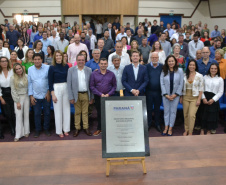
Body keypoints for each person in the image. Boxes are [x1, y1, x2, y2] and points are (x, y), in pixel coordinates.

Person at [67, 54, 93, 137]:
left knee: (85, 112)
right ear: (76, 61)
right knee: (77, 112)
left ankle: (86, 127)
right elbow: (69, 84)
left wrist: (91, 97)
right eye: (79, 60)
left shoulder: (89, 70)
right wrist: (71, 97)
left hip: (85, 94)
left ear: (85, 61)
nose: (81, 61)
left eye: (82, 60)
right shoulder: (71, 70)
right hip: (76, 94)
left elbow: (91, 84)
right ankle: (77, 128)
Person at [90, 58, 117, 136]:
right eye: (102, 64)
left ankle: (109, 129)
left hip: (109, 96)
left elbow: (114, 86)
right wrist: (100, 94)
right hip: (99, 97)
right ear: (99, 64)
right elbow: (92, 86)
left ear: (107, 64)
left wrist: (108, 94)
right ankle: (99, 128)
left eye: (105, 64)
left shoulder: (111, 74)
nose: (103, 65)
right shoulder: (94, 74)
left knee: (109, 113)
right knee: (99, 113)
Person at [28, 53, 51, 138]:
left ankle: (46, 129)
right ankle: (37, 130)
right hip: (35, 95)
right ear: (33, 60)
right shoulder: (30, 69)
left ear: (42, 60)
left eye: (39, 59)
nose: (37, 61)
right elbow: (30, 83)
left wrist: (48, 92)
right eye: (35, 59)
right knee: (37, 113)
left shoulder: (47, 68)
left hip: (46, 95)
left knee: (47, 113)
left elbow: (50, 81)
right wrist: (31, 96)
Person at [48, 50, 70, 138]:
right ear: (54, 57)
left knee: (66, 109)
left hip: (66, 87)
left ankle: (66, 129)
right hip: (56, 88)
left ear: (62, 56)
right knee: (58, 110)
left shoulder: (66, 66)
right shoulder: (52, 67)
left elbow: (69, 79)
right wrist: (52, 94)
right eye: (56, 56)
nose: (58, 57)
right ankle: (59, 130)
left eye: (59, 55)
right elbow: (50, 82)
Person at [160, 55, 184, 136]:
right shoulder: (164, 70)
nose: (171, 63)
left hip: (175, 95)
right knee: (166, 112)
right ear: (167, 62)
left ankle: (170, 128)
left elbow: (181, 83)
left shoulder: (180, 70)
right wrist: (166, 94)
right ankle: (166, 127)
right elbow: (162, 83)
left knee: (173, 112)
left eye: (172, 61)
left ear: (175, 62)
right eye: (169, 61)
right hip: (165, 95)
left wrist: (176, 94)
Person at [181, 60, 203, 136]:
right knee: (185, 114)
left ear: (196, 66)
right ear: (188, 66)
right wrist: (181, 97)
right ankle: (186, 130)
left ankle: (190, 131)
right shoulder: (184, 75)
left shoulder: (199, 76)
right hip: (185, 96)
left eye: (193, 65)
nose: (191, 66)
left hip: (195, 97)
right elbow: (181, 87)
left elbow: (201, 88)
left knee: (191, 115)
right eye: (190, 65)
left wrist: (199, 99)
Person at [200, 63, 223, 135]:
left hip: (214, 99)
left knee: (211, 116)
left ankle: (209, 130)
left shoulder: (220, 79)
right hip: (205, 98)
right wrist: (203, 98)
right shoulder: (205, 77)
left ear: (217, 70)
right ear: (209, 69)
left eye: (215, 69)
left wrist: (213, 99)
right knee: (203, 114)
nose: (213, 70)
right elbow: (201, 89)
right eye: (212, 68)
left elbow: (220, 91)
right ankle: (202, 129)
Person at [10, 63, 30, 141]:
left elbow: (29, 88)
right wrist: (17, 101)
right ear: (14, 71)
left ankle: (26, 131)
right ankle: (18, 134)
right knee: (18, 116)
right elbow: (13, 91)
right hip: (18, 98)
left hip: (26, 97)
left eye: (20, 68)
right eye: (17, 69)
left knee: (26, 115)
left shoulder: (27, 76)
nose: (19, 70)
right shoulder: (12, 78)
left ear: (22, 68)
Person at [146, 52, 163, 132]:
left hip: (158, 92)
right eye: (153, 57)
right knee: (149, 109)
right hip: (149, 91)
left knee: (157, 109)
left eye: (156, 57)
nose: (154, 59)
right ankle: (149, 123)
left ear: (158, 58)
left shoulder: (162, 67)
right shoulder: (147, 67)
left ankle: (157, 124)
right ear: (151, 58)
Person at [0, 56, 15, 138]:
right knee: (7, 113)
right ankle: (11, 128)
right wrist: (1, 98)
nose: (4, 63)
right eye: (2, 61)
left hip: (12, 93)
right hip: (3, 95)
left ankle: (15, 128)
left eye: (5, 61)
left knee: (13, 113)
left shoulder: (12, 71)